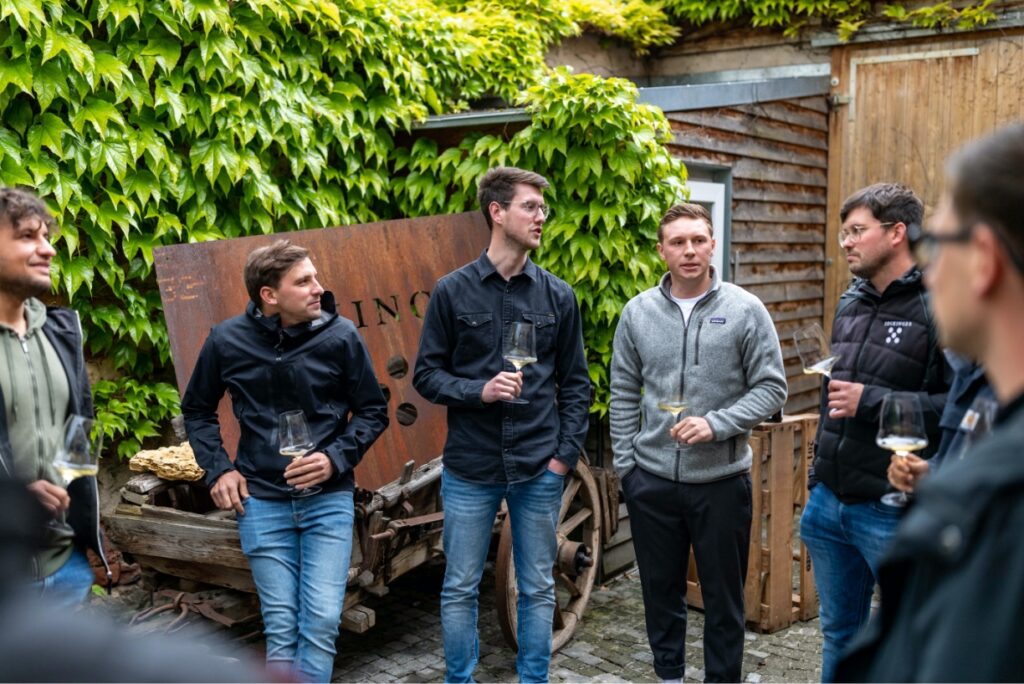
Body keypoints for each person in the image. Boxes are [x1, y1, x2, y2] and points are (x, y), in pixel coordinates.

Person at [836, 123, 1024, 682]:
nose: (928, 268)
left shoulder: (1004, 492)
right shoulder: (983, 397)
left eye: (935, 245)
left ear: (984, 260)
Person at [413, 166, 590, 683]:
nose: (541, 216)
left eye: (542, 208)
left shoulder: (558, 296)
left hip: (538, 467)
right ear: (497, 212)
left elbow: (576, 385)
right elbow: (426, 376)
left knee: (537, 585)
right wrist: (480, 391)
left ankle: (534, 679)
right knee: (460, 587)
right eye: (530, 207)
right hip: (471, 467)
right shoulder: (452, 291)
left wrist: (562, 459)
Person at [182, 240, 389, 683]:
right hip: (261, 503)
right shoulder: (226, 340)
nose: (319, 288)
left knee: (321, 622)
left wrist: (334, 458)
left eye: (315, 277)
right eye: (304, 281)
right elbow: (197, 410)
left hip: (327, 500)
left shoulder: (341, 336)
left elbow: (373, 411)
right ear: (269, 295)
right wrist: (219, 469)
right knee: (280, 626)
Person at [610, 203, 787, 683]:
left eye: (698, 240)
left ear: (712, 245)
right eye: (678, 242)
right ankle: (669, 675)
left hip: (721, 483)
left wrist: (717, 424)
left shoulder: (746, 310)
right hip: (651, 482)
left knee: (724, 600)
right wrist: (628, 468)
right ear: (661, 251)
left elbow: (772, 388)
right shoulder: (637, 313)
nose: (689, 251)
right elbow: (622, 390)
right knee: (659, 593)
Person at [798, 182, 949, 682]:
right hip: (829, 504)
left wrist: (871, 402)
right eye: (844, 233)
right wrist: (817, 478)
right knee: (839, 634)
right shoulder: (850, 301)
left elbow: (959, 406)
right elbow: (831, 398)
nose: (846, 242)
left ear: (897, 232)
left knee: (911, 637)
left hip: (891, 509)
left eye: (856, 231)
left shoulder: (939, 304)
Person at [0, 187, 110, 607]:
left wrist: (87, 532)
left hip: (66, 568)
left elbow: (81, 428)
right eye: (28, 236)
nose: (47, 249)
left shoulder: (62, 331)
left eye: (46, 237)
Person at [886, 351, 995, 492]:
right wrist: (930, 473)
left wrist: (867, 399)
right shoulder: (965, 368)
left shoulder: (1005, 383)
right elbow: (957, 454)